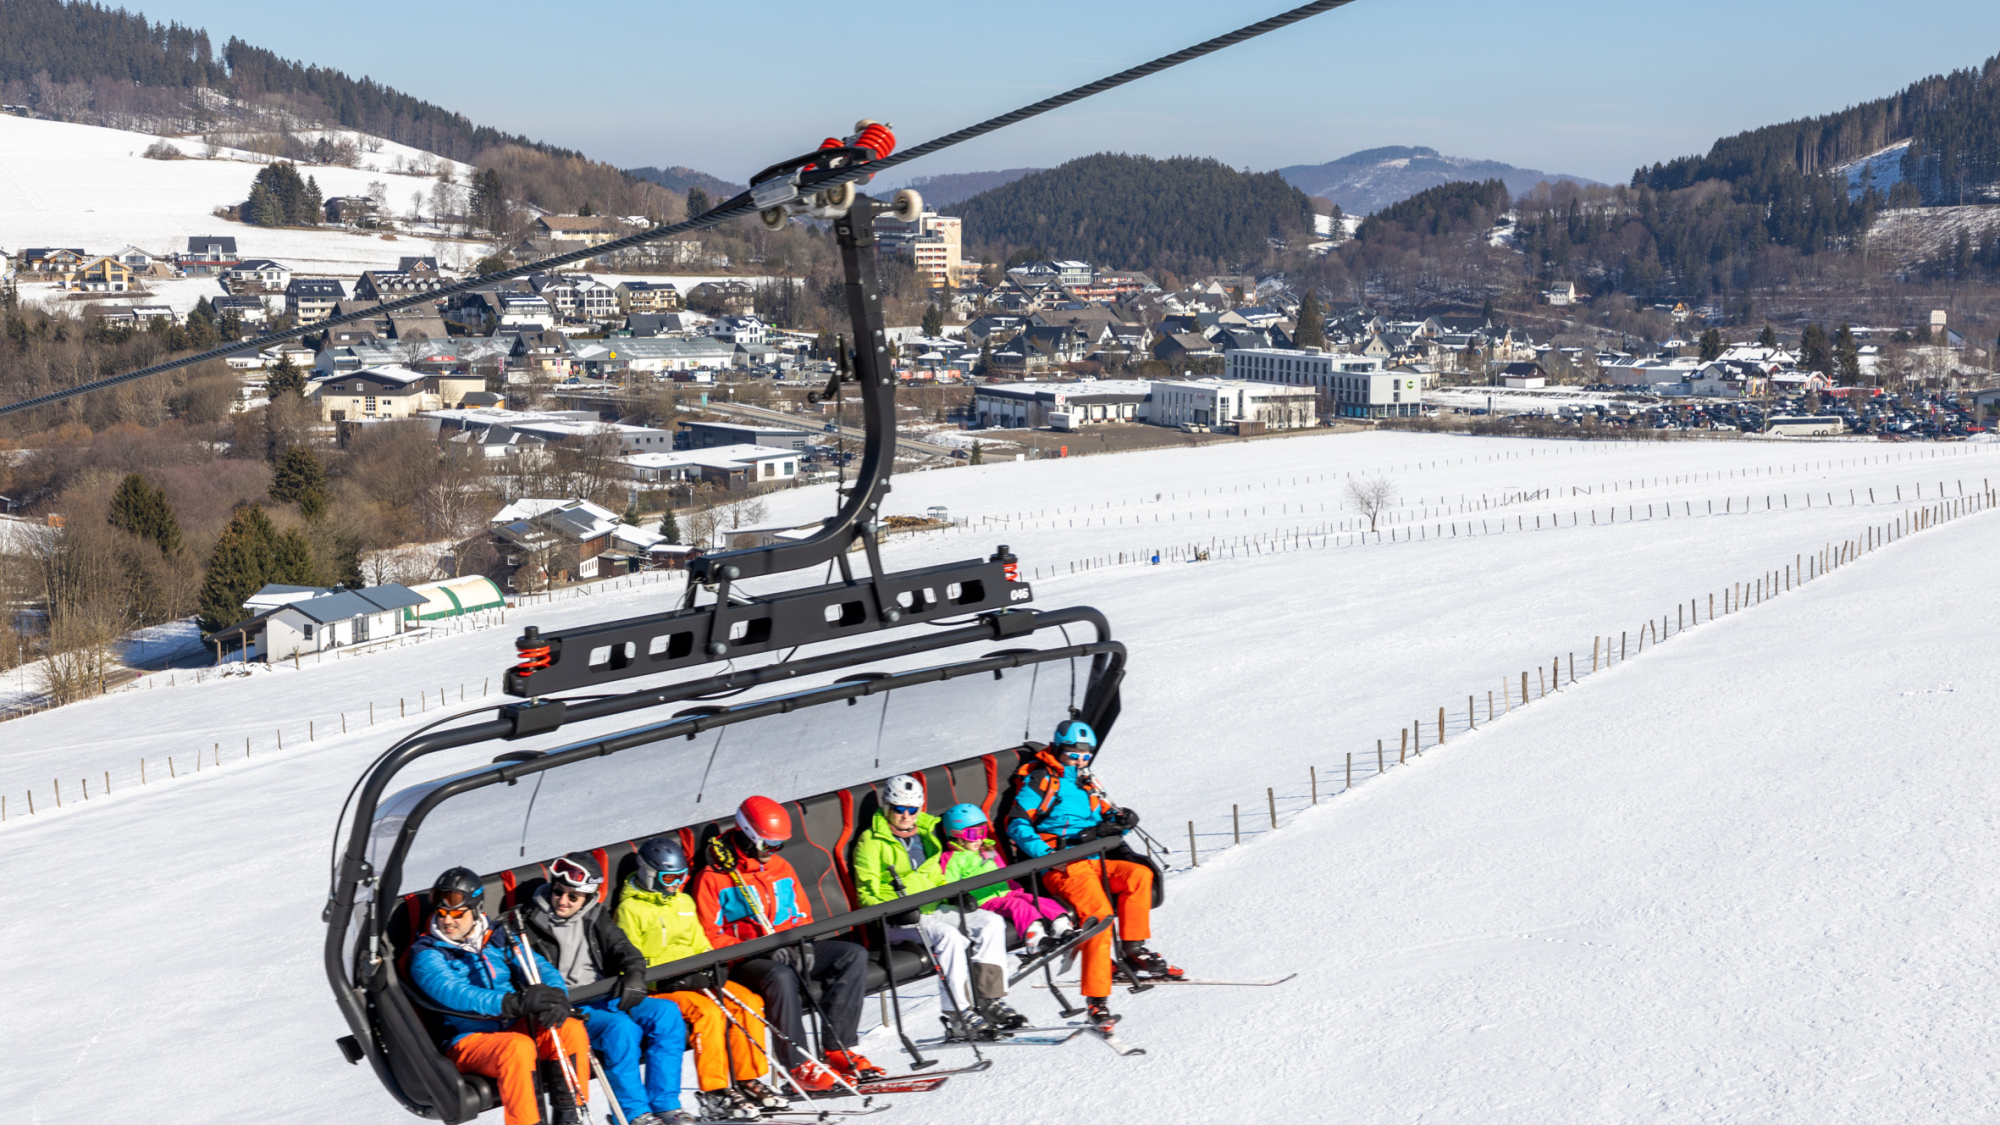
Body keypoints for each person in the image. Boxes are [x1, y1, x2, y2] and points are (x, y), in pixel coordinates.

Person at [693, 795, 883, 1091]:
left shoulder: (779, 867)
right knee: (780, 977)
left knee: (852, 955)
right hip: (744, 961)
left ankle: (837, 1048)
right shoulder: (714, 878)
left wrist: (802, 942)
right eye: (768, 845)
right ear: (748, 835)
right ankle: (796, 1065)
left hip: (788, 947)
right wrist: (761, 948)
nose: (773, 852)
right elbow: (710, 935)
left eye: (779, 845)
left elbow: (801, 913)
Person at [1004, 720, 1180, 1026]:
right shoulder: (1042, 780)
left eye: (1086, 754)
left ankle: (1132, 950)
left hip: (1094, 858)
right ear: (1059, 749)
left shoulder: (1087, 782)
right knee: (1098, 917)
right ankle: (1096, 1001)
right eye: (1074, 753)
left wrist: (1119, 818)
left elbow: (1103, 811)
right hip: (1063, 864)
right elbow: (1017, 824)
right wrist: (1049, 855)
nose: (1080, 759)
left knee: (1138, 875)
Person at [615, 836, 789, 1120]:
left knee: (748, 1002)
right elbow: (629, 961)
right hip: (663, 986)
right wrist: (669, 976)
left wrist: (712, 966)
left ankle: (749, 1080)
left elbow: (700, 944)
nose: (675, 884)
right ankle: (715, 1092)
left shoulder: (683, 902)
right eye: (669, 877)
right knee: (708, 1013)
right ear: (648, 873)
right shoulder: (629, 910)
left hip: (695, 977)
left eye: (681, 877)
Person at [407, 867, 593, 1125]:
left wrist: (556, 997)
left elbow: (538, 965)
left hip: (514, 1024)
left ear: (475, 910)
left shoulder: (498, 936)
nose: (447, 921)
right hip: (467, 1040)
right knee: (516, 1048)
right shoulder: (427, 955)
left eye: (457, 914)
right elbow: (455, 992)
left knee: (569, 1029)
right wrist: (510, 1003)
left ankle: (570, 1118)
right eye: (441, 913)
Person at [519, 853, 694, 1125]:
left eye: (572, 897)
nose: (562, 901)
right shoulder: (528, 923)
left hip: (606, 993)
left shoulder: (595, 915)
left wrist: (634, 973)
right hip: (573, 1006)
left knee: (667, 1013)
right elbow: (523, 971)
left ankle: (665, 1104)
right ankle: (634, 1114)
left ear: (587, 898)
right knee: (621, 1029)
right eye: (558, 891)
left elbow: (624, 949)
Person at [850, 775, 1023, 1038]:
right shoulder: (870, 842)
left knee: (990, 923)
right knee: (950, 937)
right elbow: (865, 893)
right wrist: (894, 910)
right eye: (900, 809)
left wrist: (953, 895)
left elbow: (935, 876)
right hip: (898, 920)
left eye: (912, 810)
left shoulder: (925, 835)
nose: (906, 816)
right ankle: (958, 1013)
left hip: (934, 909)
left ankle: (989, 1000)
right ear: (887, 807)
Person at [935, 802, 1076, 955]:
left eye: (982, 832)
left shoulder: (988, 851)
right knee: (1019, 906)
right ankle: (1035, 939)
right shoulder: (952, 858)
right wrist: (963, 898)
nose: (979, 839)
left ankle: (1061, 926)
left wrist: (1014, 887)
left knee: (1035, 899)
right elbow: (948, 883)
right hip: (985, 901)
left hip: (1006, 892)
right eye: (973, 834)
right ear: (956, 835)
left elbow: (1003, 872)